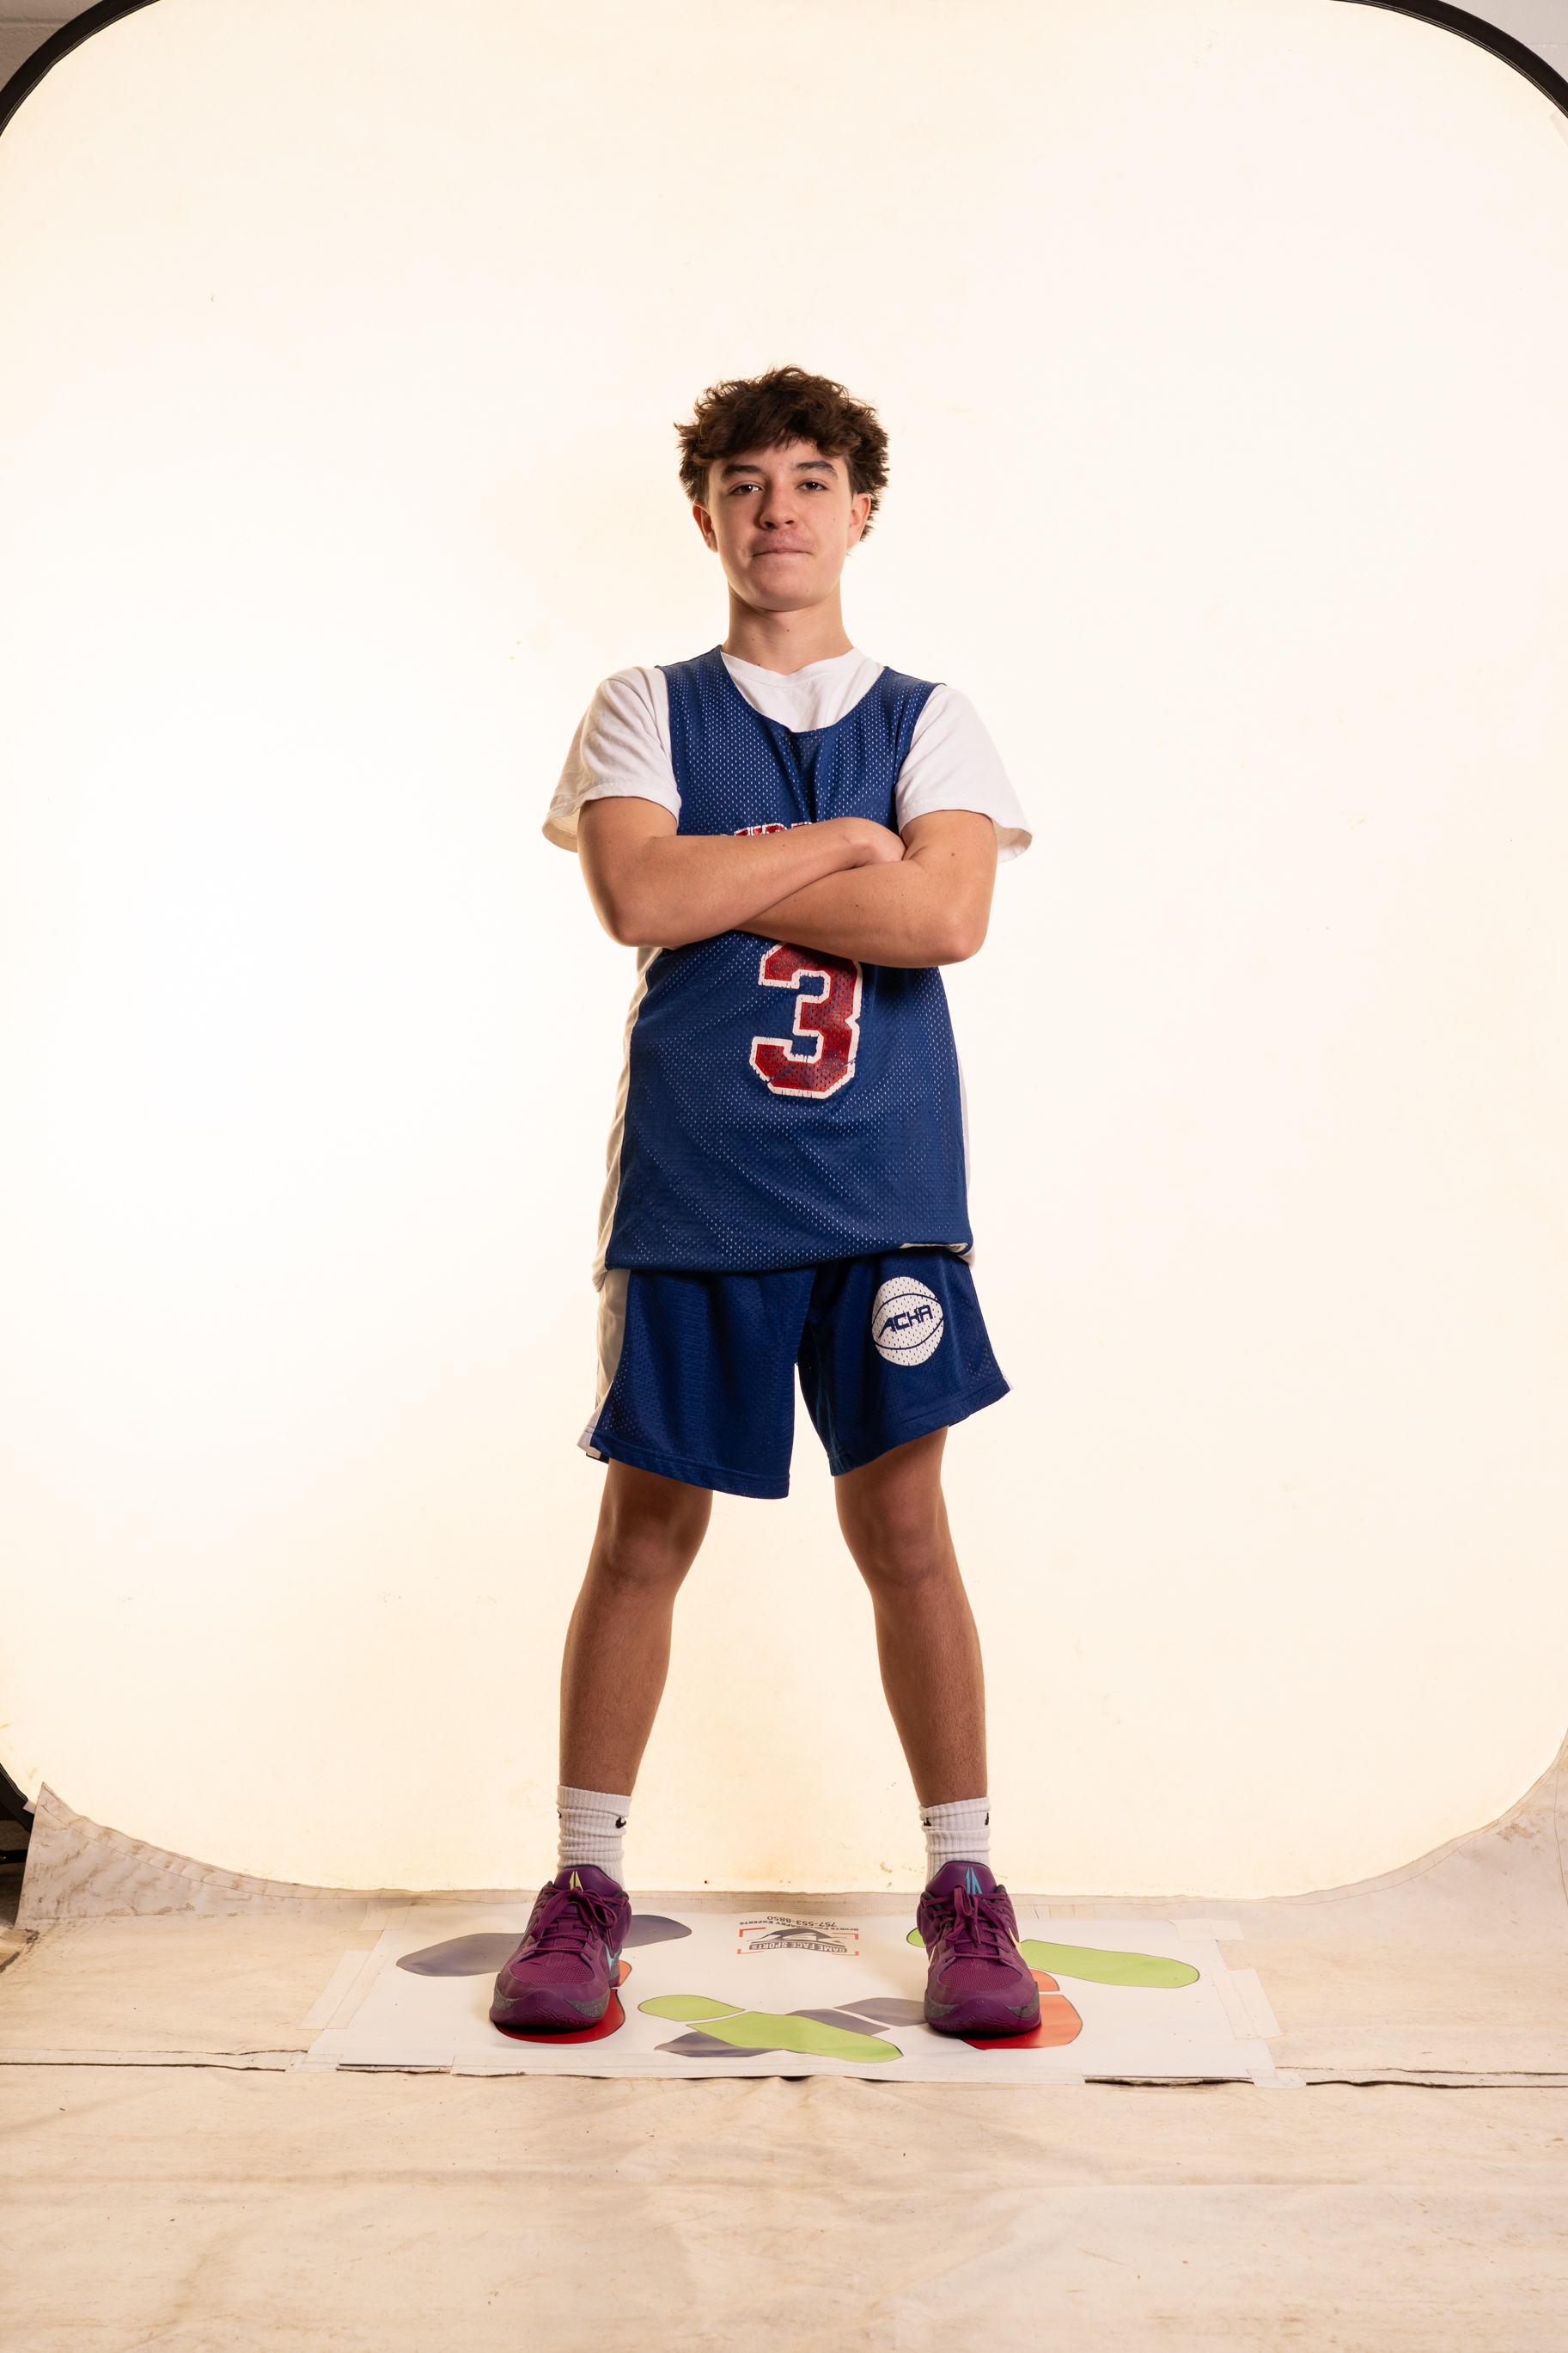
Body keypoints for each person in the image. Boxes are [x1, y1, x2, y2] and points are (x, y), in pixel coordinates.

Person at [492, 366, 1038, 2042]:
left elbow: (944, 922)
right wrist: (847, 840)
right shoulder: (643, 703)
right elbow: (634, 893)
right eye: (746, 483)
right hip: (701, 1186)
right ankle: (585, 1885)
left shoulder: (932, 714)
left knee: (906, 1534)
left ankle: (965, 1883)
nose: (778, 508)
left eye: (810, 480)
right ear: (706, 514)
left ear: (861, 510)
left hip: (883, 1187)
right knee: (645, 1533)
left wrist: (738, 871)